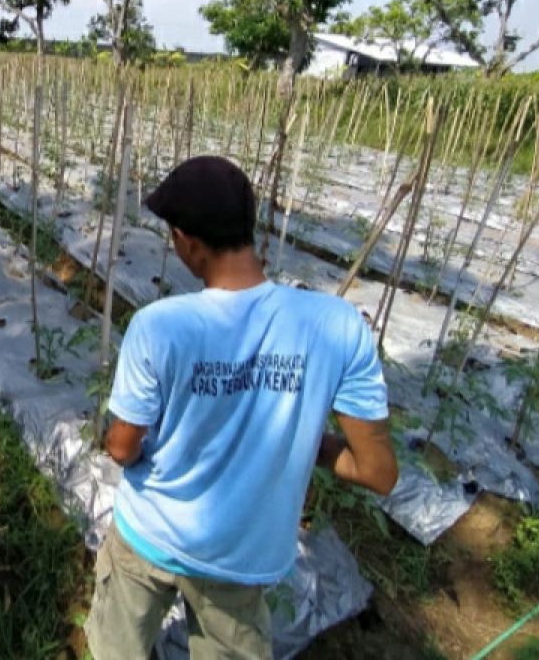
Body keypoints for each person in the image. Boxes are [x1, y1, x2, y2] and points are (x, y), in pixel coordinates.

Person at [85, 156, 399, 660]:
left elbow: (122, 449)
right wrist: (298, 439)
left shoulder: (159, 326)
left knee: (116, 649)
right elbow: (378, 472)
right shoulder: (337, 326)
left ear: (186, 240)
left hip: (151, 536)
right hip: (243, 558)